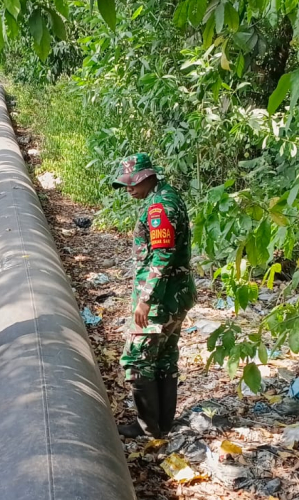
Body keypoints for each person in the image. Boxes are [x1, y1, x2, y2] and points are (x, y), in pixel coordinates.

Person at [111, 153, 196, 439]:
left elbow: (163, 255)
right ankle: (162, 424)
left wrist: (145, 298)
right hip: (177, 295)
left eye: (133, 182)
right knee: (164, 356)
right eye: (126, 184)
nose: (129, 189)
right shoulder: (168, 196)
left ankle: (147, 427)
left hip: (161, 299)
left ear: (149, 176)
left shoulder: (158, 207)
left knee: (137, 359)